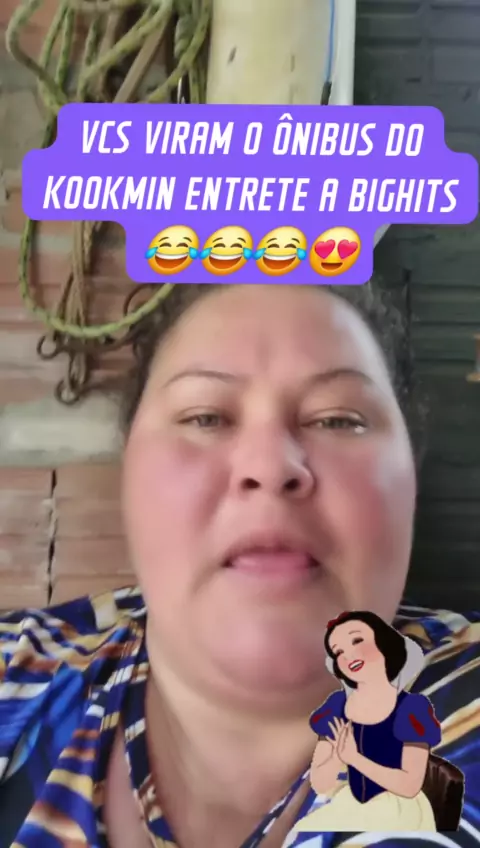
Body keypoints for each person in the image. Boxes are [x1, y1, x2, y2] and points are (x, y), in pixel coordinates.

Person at [0, 281, 478, 848]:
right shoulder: (17, 675)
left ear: (411, 479)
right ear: (128, 471)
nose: (270, 465)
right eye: (206, 417)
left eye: (336, 419)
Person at [294, 610, 446, 833]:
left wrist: (354, 758)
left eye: (357, 640)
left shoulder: (411, 709)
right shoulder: (336, 706)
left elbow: (409, 785)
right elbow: (321, 783)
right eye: (338, 651)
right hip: (349, 803)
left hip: (399, 810)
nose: (348, 655)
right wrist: (334, 757)